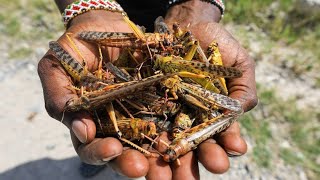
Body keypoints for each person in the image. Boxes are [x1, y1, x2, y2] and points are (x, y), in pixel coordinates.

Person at [38, 0, 258, 179]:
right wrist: (87, 8)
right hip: (121, 38)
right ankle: (105, 159)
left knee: (113, 143)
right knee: (100, 134)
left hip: (181, 79)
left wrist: (198, 7)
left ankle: (109, 157)